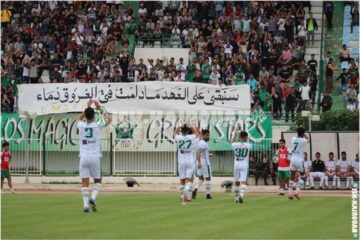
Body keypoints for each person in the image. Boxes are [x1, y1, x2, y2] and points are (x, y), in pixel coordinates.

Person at [77, 99, 112, 212]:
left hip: (83, 157)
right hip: (95, 156)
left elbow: (78, 118)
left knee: (84, 183)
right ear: (94, 115)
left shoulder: (81, 125)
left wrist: (87, 108)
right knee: (98, 181)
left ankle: (85, 206)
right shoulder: (98, 125)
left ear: (86, 116)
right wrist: (99, 107)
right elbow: (109, 119)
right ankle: (92, 198)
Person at [174, 124, 200, 204]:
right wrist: (192, 126)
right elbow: (198, 134)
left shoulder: (178, 137)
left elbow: (175, 133)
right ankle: (186, 192)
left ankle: (182, 197)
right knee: (189, 180)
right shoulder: (191, 137)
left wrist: (179, 126)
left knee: (182, 180)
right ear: (188, 131)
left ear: (181, 131)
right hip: (190, 160)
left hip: (181, 160)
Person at [231, 129, 252, 204]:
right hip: (244, 164)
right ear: (245, 137)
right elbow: (249, 147)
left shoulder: (235, 145)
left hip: (236, 164)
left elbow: (232, 142)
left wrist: (235, 134)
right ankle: (241, 195)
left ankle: (236, 198)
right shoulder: (249, 145)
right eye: (247, 137)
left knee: (236, 182)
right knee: (243, 182)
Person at [289, 127, 309, 200]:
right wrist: (304, 134)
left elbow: (298, 134)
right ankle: (297, 192)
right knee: (303, 176)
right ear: (303, 133)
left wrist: (300, 131)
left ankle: (290, 193)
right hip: (299, 160)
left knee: (292, 176)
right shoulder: (303, 140)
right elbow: (308, 139)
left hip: (293, 159)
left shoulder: (293, 138)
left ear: (297, 132)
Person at [192, 129, 212, 200]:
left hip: (199, 162)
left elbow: (200, 153)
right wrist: (200, 162)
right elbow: (198, 152)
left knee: (201, 179)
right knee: (208, 178)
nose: (208, 136)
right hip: (204, 163)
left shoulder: (200, 142)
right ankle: (208, 195)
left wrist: (208, 155)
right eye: (207, 135)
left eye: (209, 135)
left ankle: (195, 189)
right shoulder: (203, 143)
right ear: (203, 135)